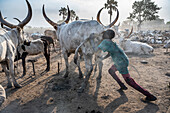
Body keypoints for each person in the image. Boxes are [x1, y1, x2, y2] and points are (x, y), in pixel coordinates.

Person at [98, 29, 157, 101]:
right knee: (111, 71)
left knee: (129, 80)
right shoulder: (111, 42)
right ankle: (122, 85)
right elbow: (110, 52)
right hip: (122, 60)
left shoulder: (105, 42)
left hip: (120, 62)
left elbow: (95, 49)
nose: (103, 35)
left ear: (107, 35)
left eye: (104, 34)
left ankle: (149, 95)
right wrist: (103, 58)